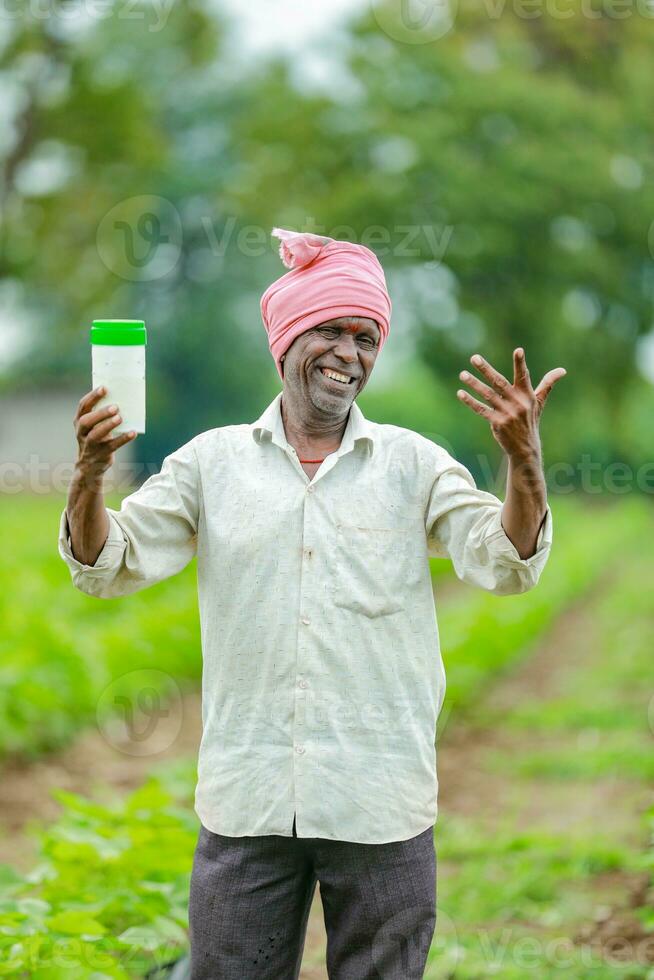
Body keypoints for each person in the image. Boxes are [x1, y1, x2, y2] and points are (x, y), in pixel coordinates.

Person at [59, 227, 566, 979]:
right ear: (287, 339)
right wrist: (87, 476)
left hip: (381, 796)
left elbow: (505, 564)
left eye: (366, 337)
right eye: (330, 330)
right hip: (248, 798)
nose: (349, 353)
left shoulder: (413, 465)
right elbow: (109, 565)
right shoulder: (212, 463)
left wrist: (524, 467)